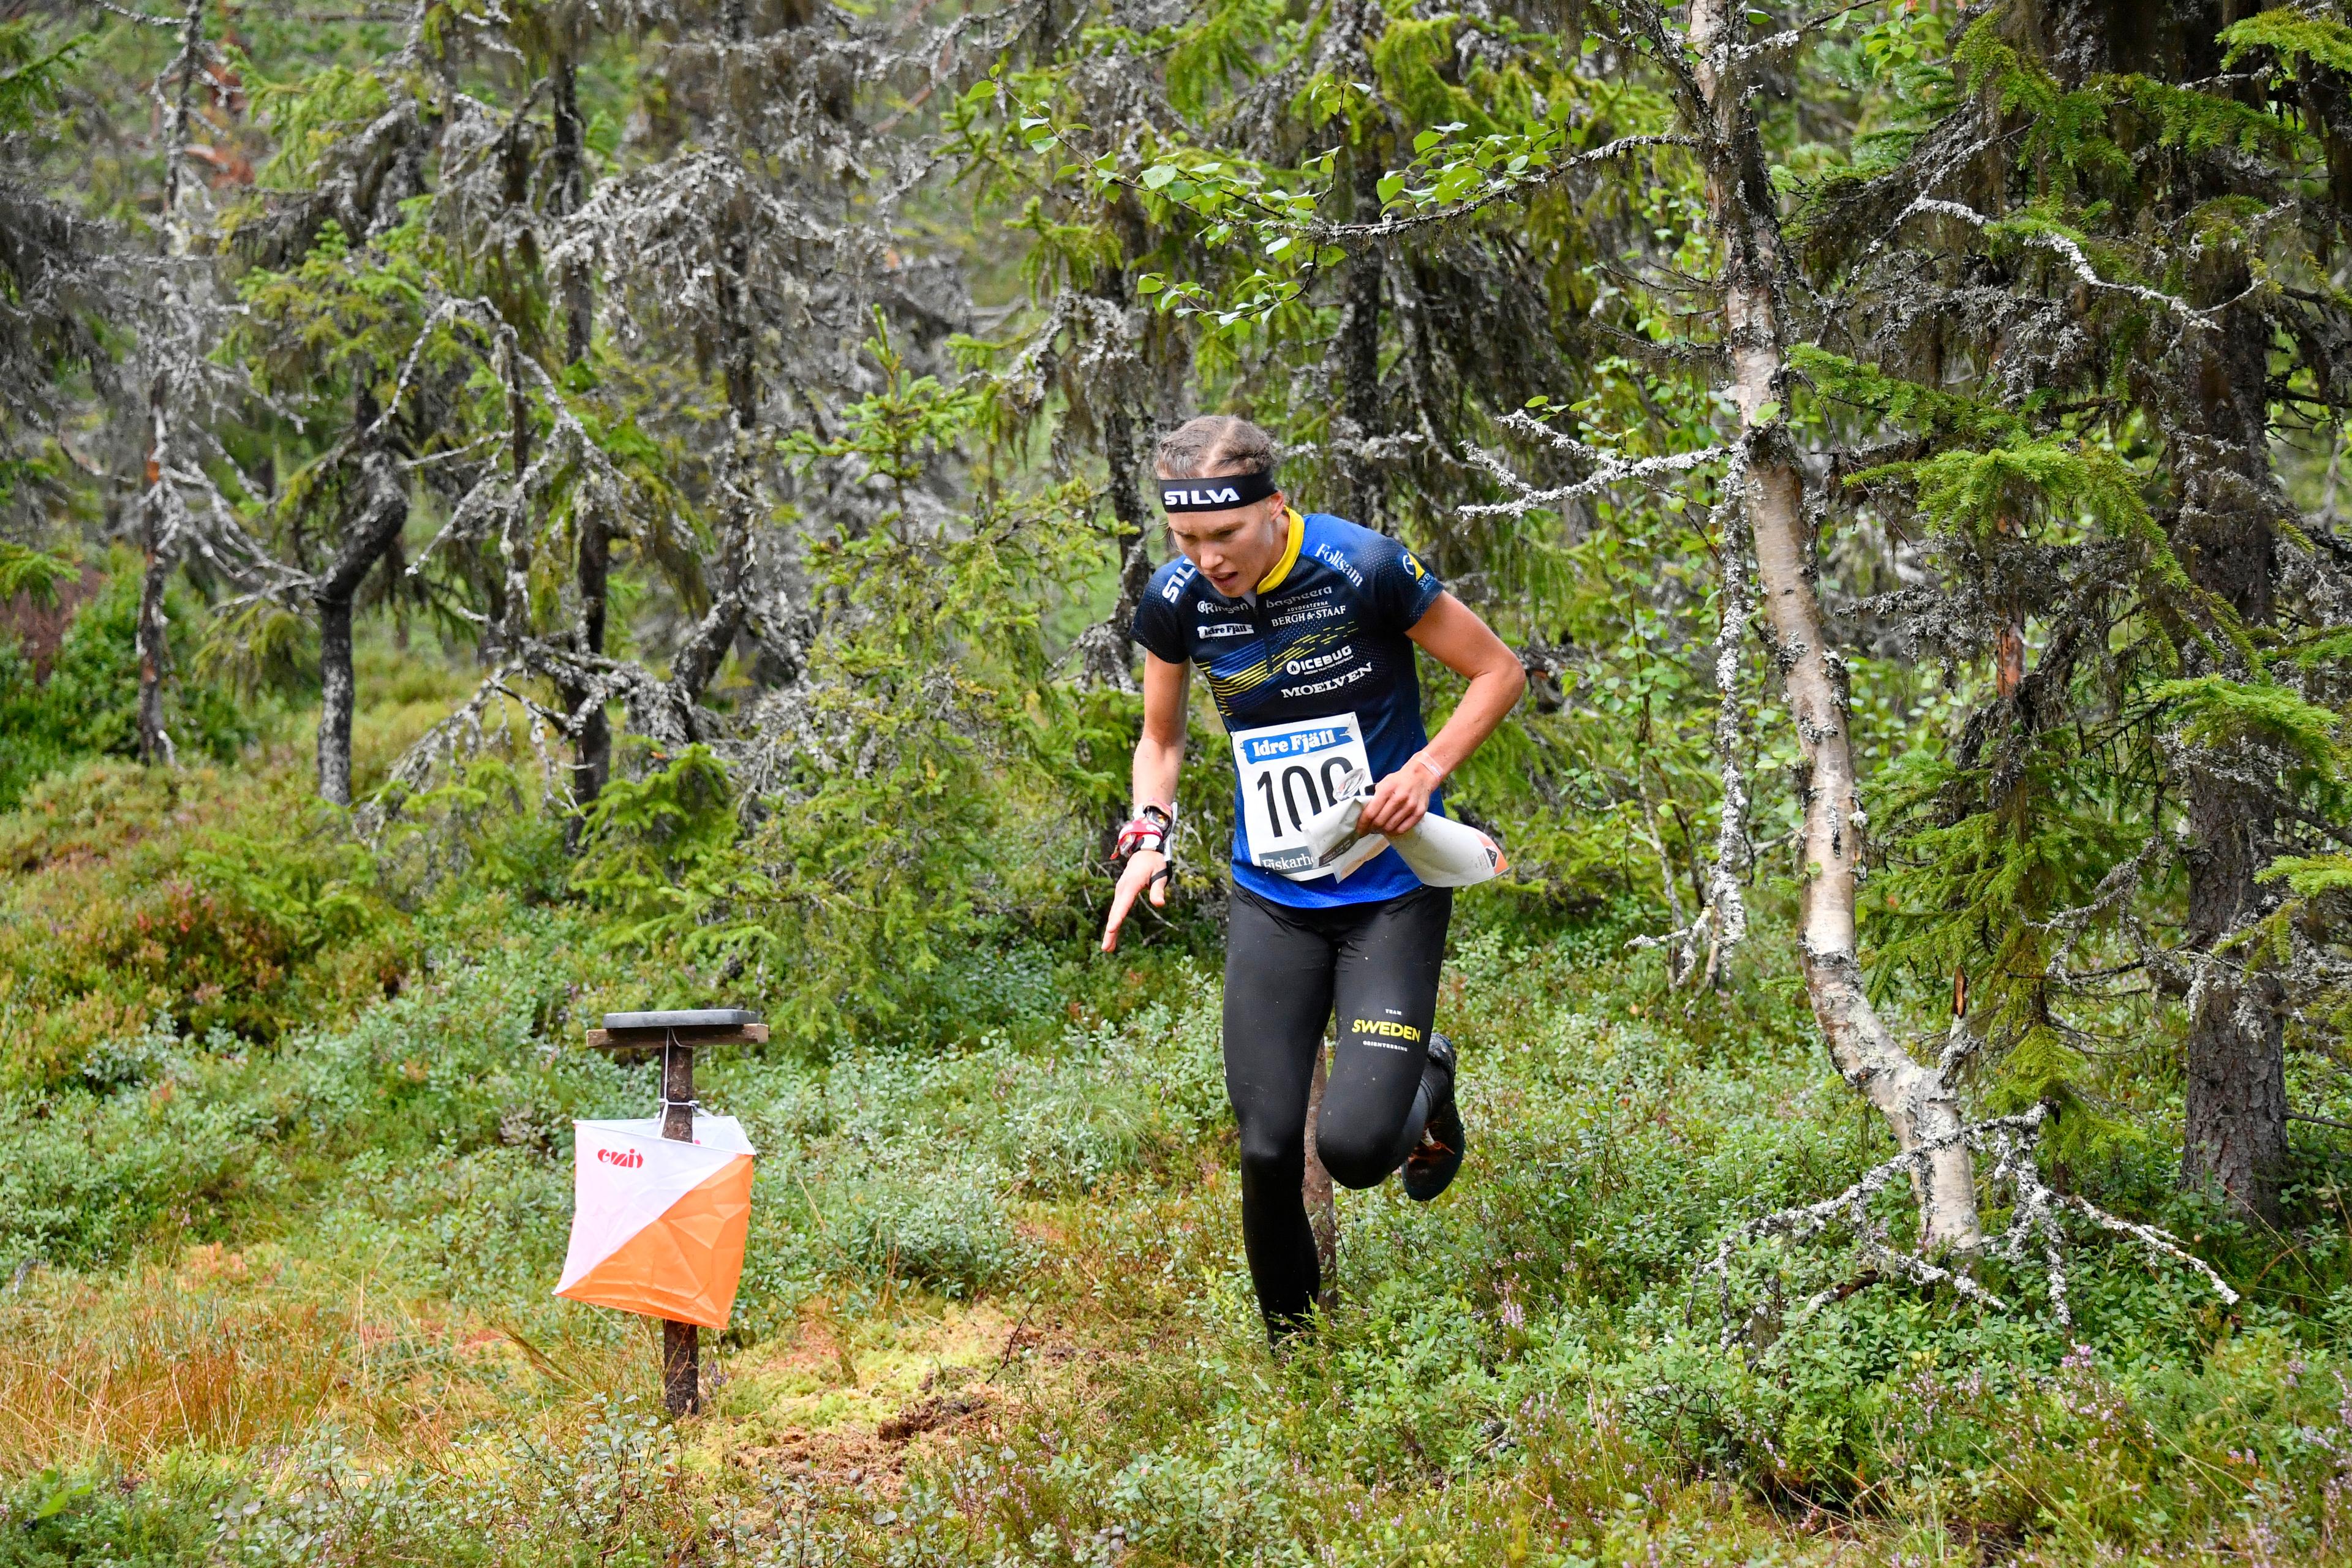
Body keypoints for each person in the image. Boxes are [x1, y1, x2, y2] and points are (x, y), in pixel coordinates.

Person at [1099, 415, 1525, 1341]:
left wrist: (1425, 772)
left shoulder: (1363, 566)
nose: (1208, 559)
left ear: (1276, 506)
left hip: (1389, 892)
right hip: (1274, 896)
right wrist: (1149, 834)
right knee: (1264, 1146)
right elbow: (1161, 740)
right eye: (1188, 540)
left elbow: (1497, 671)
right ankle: (1300, 1364)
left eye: (1226, 535)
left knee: (1356, 1150)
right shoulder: (1178, 602)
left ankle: (1429, 1072)